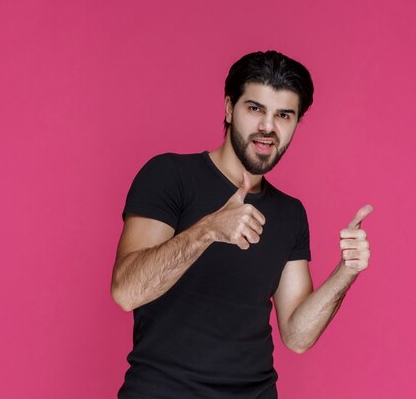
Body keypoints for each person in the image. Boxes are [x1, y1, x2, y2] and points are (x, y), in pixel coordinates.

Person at [111, 50, 372, 399]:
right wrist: (208, 230)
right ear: (229, 107)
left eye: (284, 115)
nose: (268, 127)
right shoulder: (169, 176)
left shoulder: (290, 213)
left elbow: (296, 336)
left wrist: (346, 272)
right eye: (255, 109)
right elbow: (127, 293)